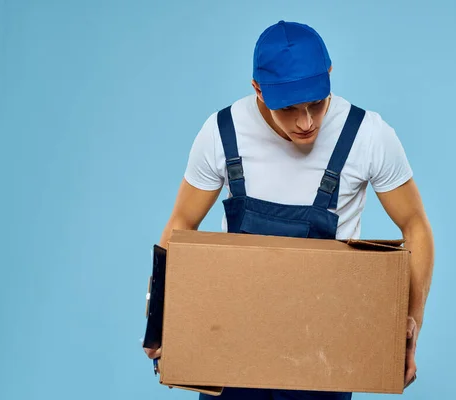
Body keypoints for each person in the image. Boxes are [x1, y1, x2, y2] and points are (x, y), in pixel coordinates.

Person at [144, 20, 434, 400]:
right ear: (258, 90)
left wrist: (410, 322)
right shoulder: (221, 132)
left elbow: (415, 225)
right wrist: (158, 320)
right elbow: (182, 223)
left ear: (329, 76)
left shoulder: (369, 136)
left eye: (316, 103)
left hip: (326, 351)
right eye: (290, 108)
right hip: (231, 344)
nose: (307, 122)